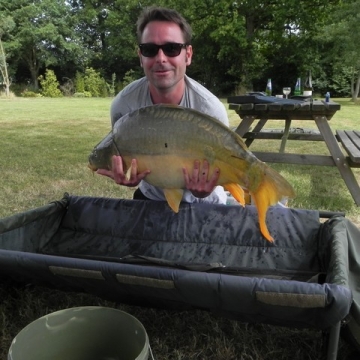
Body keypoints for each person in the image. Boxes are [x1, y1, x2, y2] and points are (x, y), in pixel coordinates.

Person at [97, 6, 230, 205]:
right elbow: (125, 161)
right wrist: (125, 175)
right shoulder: (124, 105)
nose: (161, 58)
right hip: (151, 199)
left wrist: (202, 192)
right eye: (150, 50)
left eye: (171, 48)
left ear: (188, 54)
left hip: (205, 203)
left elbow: (225, 167)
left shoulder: (209, 109)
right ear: (140, 56)